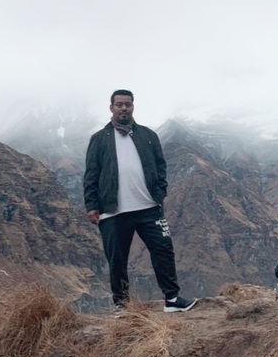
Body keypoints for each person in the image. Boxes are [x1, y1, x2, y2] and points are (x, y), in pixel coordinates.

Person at [84, 89, 197, 313]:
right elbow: (91, 174)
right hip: (113, 211)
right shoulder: (99, 139)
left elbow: (160, 165)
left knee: (163, 251)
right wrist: (91, 205)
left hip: (149, 207)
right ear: (111, 108)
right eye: (119, 104)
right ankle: (122, 305)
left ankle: (172, 299)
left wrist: (160, 192)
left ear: (133, 106)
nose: (124, 108)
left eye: (128, 104)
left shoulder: (148, 135)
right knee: (117, 260)